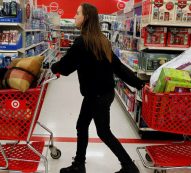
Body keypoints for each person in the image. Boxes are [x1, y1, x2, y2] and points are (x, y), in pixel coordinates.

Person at [51, 3, 144, 173]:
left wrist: (52, 67)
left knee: (103, 132)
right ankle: (79, 164)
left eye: (77, 13)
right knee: (82, 125)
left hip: (96, 96)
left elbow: (65, 67)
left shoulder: (82, 42)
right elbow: (119, 67)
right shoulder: (102, 40)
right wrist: (139, 83)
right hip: (102, 93)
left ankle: (129, 166)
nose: (74, 16)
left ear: (86, 17)